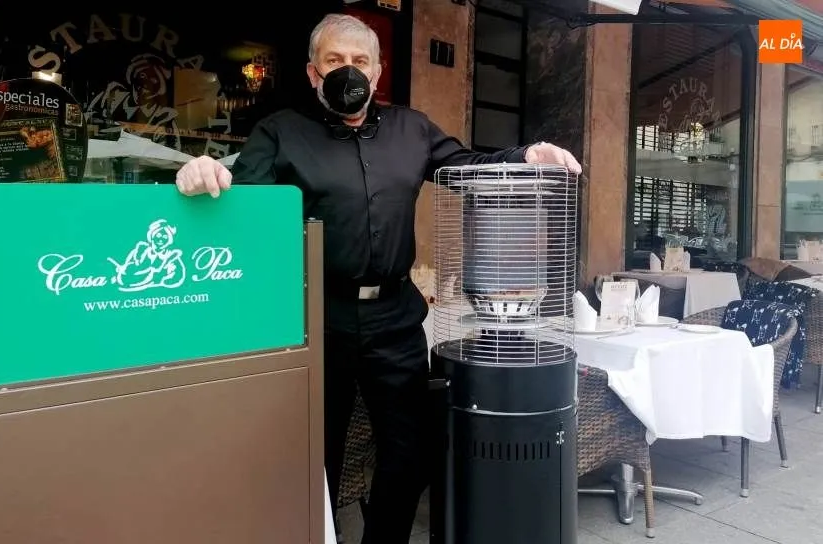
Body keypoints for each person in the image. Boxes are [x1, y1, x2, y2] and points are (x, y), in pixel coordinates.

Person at [175, 13, 582, 543]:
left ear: (379, 70)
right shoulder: (280, 132)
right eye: (335, 61)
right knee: (313, 454)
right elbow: (238, 201)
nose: (349, 71)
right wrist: (199, 172)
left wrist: (526, 156)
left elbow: (466, 166)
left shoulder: (413, 129)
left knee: (409, 453)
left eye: (360, 61)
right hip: (316, 318)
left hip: (396, 318)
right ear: (312, 72)